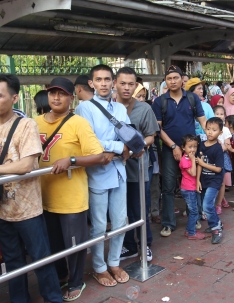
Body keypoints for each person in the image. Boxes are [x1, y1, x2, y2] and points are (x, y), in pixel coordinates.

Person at [0, 74, 63, 303]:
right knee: (12, 261)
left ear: (14, 98)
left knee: (40, 258)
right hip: (0, 208)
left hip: (27, 209)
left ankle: (53, 298)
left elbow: (26, 165)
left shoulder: (26, 125)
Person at [36, 77, 106, 301]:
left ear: (70, 97)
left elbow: (99, 155)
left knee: (74, 245)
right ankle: (60, 275)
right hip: (43, 197)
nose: (56, 97)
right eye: (52, 93)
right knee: (54, 243)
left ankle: (76, 282)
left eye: (62, 93)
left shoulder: (78, 123)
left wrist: (72, 160)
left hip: (71, 197)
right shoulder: (34, 123)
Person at [75, 65, 131, 286]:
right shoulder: (84, 109)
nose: (104, 83)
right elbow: (90, 142)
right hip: (98, 172)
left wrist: (117, 148)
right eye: (99, 80)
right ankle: (99, 267)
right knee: (98, 225)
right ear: (92, 83)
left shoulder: (120, 109)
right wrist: (118, 147)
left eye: (108, 79)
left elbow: (129, 137)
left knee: (119, 220)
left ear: (113, 81)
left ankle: (114, 262)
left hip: (119, 170)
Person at [151, 65, 206, 237]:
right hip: (169, 150)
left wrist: (212, 139)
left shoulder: (192, 98)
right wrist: (174, 147)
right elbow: (158, 129)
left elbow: (203, 120)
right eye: (169, 78)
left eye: (176, 78)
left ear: (182, 80)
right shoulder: (160, 102)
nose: (173, 81)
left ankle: (194, 217)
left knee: (193, 184)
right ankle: (168, 223)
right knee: (168, 186)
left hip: (191, 149)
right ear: (165, 81)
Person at [115, 67, 159, 263]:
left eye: (130, 84)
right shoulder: (108, 108)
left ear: (136, 85)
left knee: (139, 208)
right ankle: (129, 246)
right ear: (115, 83)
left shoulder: (144, 108)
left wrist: (137, 147)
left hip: (138, 169)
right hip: (114, 170)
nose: (126, 88)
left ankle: (145, 244)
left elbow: (152, 135)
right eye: (122, 83)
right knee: (120, 211)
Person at [196, 117, 224, 244]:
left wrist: (202, 163)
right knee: (205, 205)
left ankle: (216, 229)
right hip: (204, 179)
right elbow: (199, 165)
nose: (210, 132)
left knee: (207, 205)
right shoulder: (202, 145)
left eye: (214, 130)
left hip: (214, 181)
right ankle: (217, 222)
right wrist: (197, 180)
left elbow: (218, 169)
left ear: (220, 132)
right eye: (208, 129)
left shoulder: (218, 148)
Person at [179, 134, 205, 240]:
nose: (193, 149)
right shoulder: (184, 160)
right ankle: (191, 232)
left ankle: (189, 229)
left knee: (194, 210)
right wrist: (193, 160)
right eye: (190, 147)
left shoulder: (191, 157)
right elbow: (193, 173)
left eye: (195, 146)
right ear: (183, 147)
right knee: (194, 211)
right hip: (188, 189)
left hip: (192, 188)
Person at [212, 105, 232, 214]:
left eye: (222, 114)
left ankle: (218, 204)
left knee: (221, 182)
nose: (219, 116)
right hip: (211, 158)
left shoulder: (225, 130)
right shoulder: (210, 128)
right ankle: (221, 198)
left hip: (221, 158)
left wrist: (218, 149)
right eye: (217, 113)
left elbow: (227, 145)